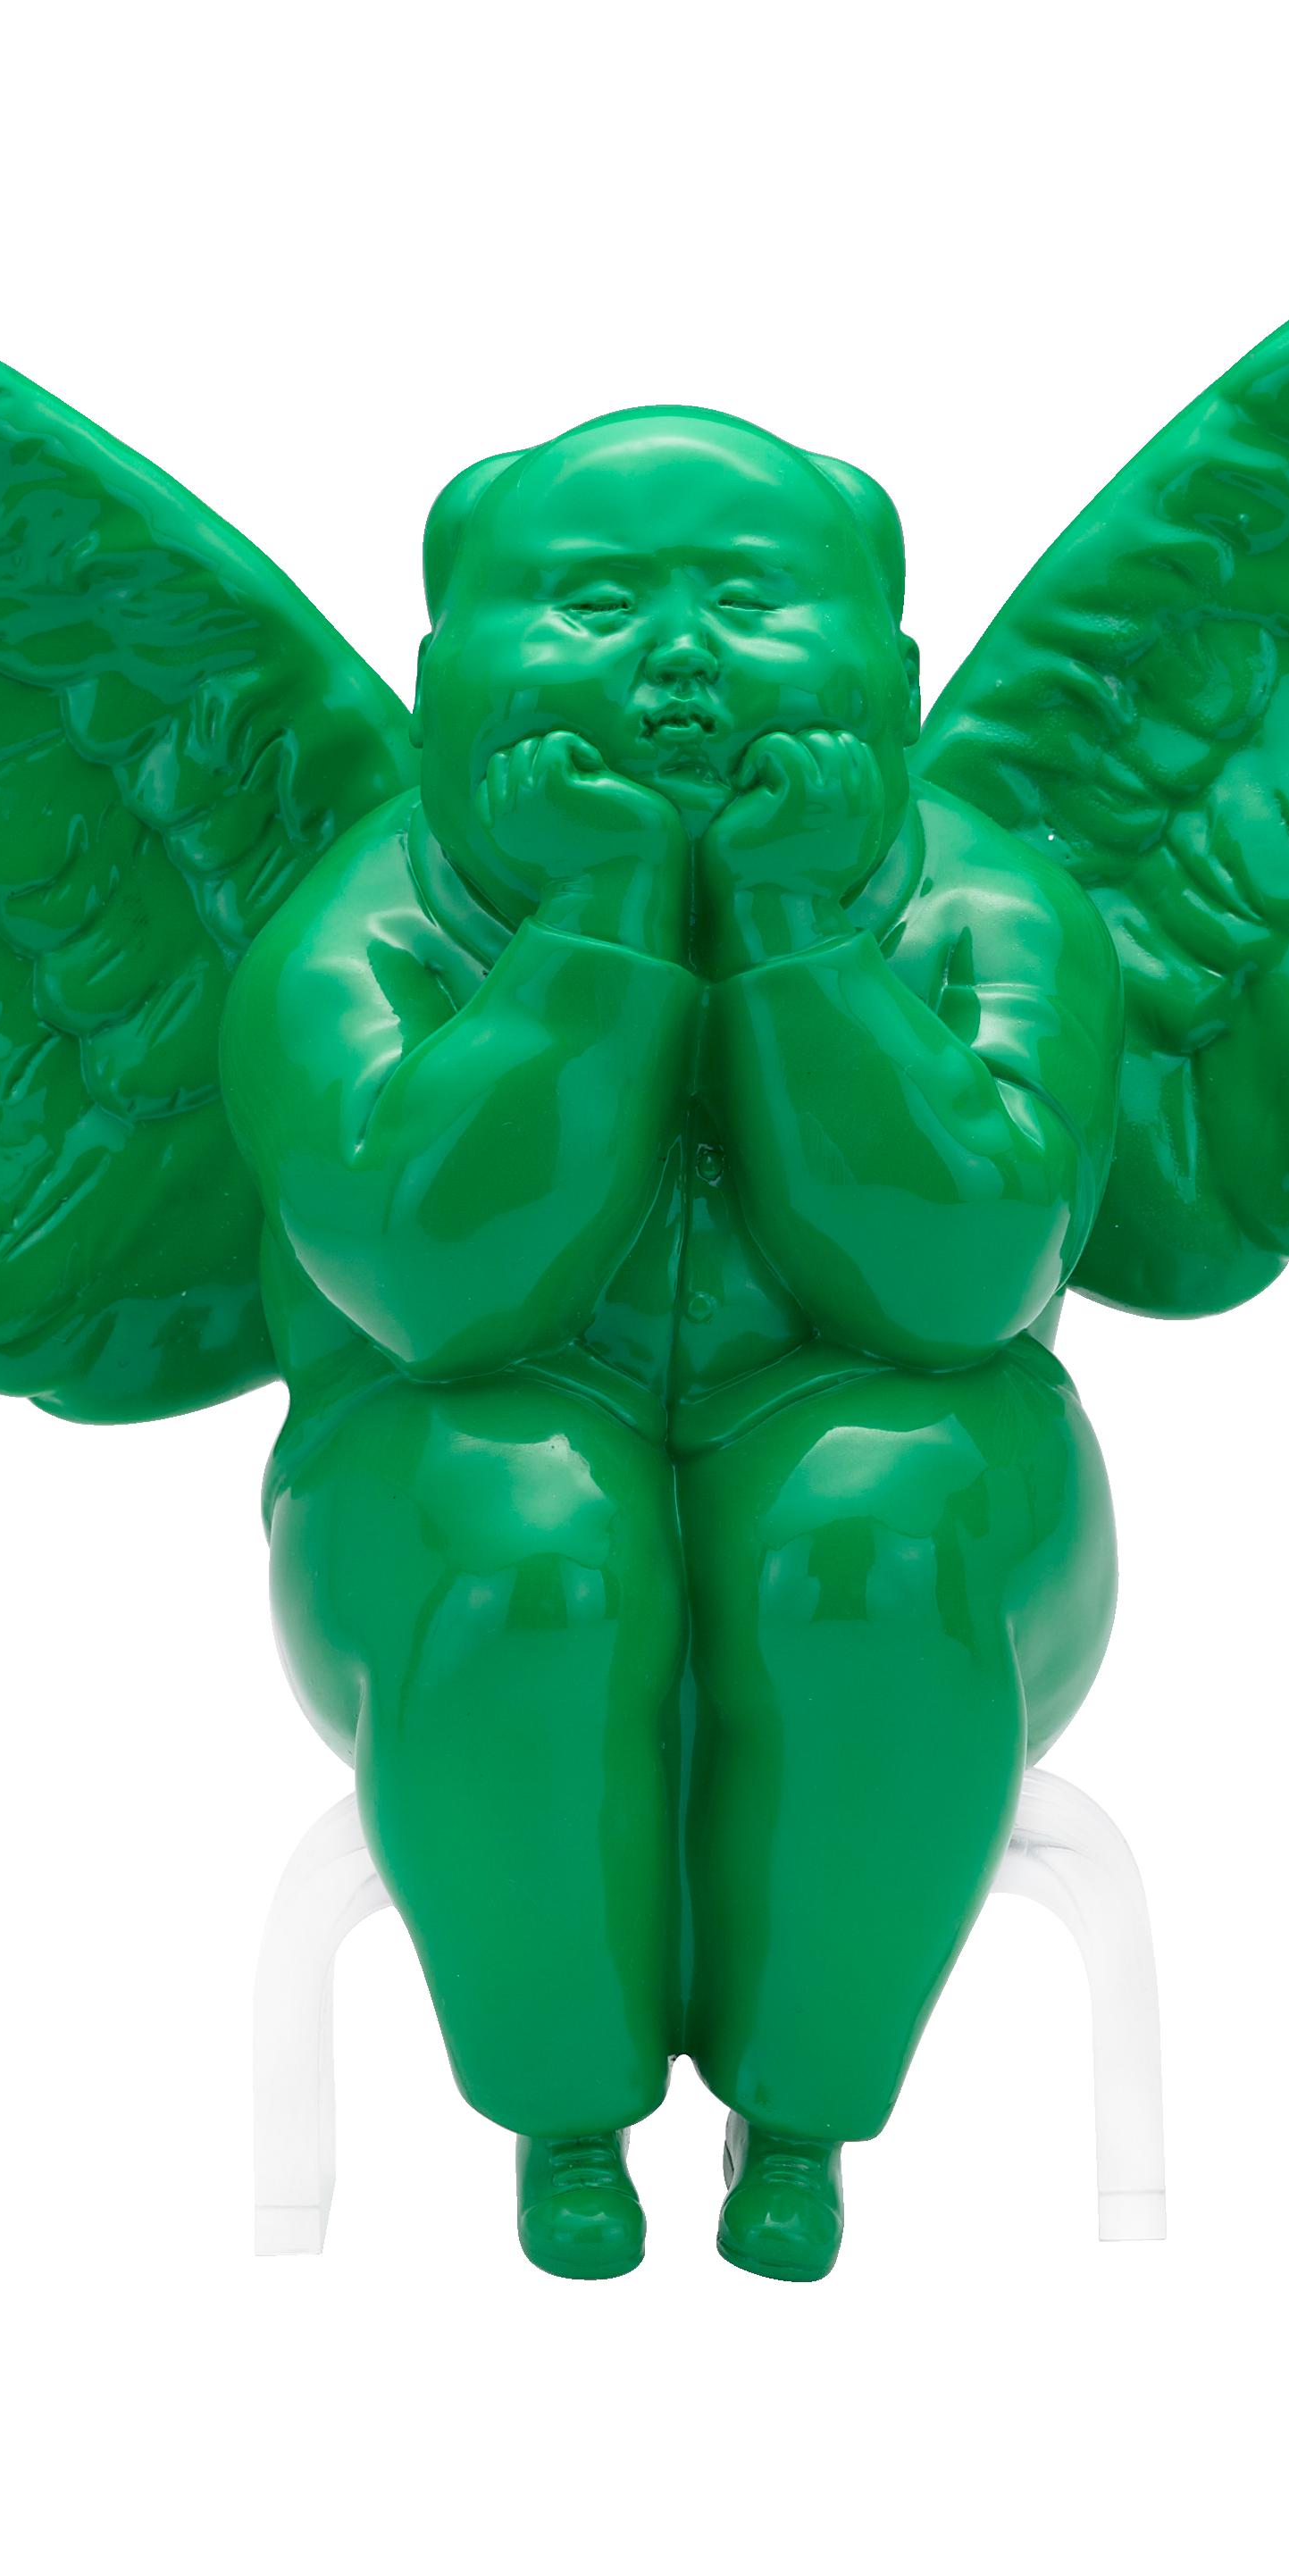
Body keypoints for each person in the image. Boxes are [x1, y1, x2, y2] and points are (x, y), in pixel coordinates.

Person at [223, 406, 1124, 2279]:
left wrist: (792, 932)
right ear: (440, 677)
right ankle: (559, 2111)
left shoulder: (995, 910)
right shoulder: (351, 932)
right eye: (592, 602)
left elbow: (956, 1277)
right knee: (521, 1541)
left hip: (909, 1418)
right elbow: (446, 1285)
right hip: (444, 1431)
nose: (679, 656)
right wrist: (600, 926)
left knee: (879, 1534)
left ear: (893, 675)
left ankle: (806, 2116)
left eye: (750, 599)